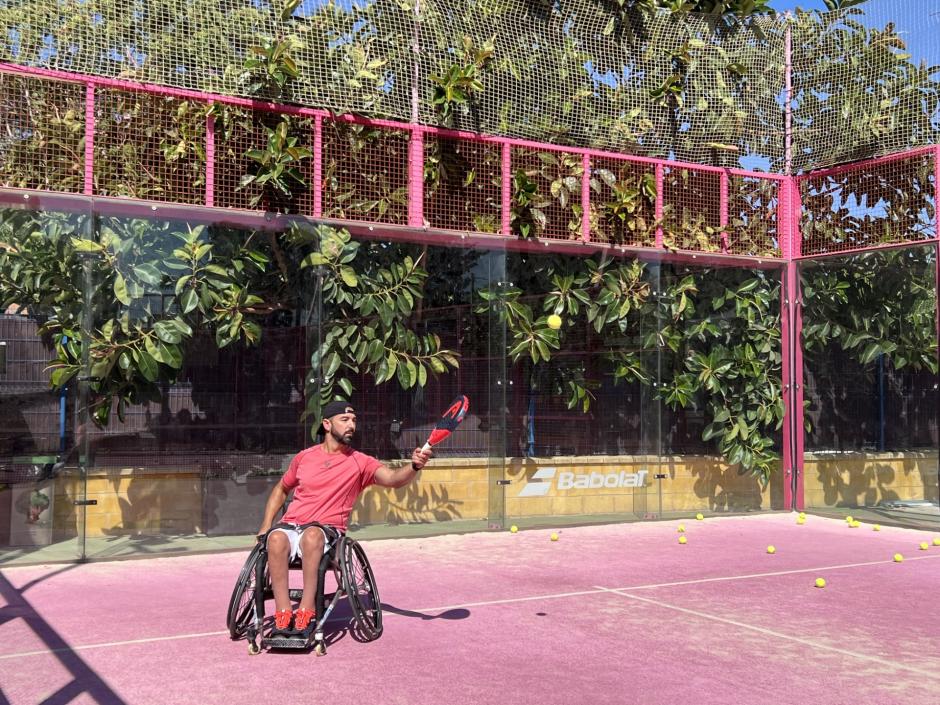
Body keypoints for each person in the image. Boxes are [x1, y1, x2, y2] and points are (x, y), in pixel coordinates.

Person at [257, 400, 432, 637]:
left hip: (326, 531)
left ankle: (307, 610)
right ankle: (283, 611)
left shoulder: (360, 462)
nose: (352, 425)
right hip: (292, 525)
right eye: (345, 420)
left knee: (312, 536)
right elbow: (280, 489)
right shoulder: (304, 457)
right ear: (327, 424)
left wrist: (413, 466)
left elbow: (392, 478)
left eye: (354, 421)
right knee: (275, 539)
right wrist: (266, 525)